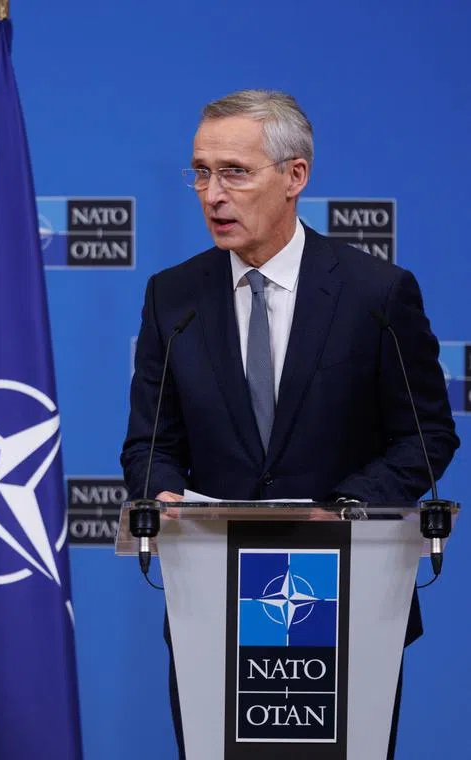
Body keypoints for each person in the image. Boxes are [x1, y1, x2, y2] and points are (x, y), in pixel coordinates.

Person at [120, 89, 458, 758]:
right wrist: (158, 490)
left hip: (347, 599)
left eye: (234, 172)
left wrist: (344, 512)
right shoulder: (173, 296)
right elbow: (150, 440)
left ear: (295, 177)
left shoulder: (376, 294)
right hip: (212, 607)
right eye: (201, 171)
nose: (212, 194)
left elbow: (427, 434)